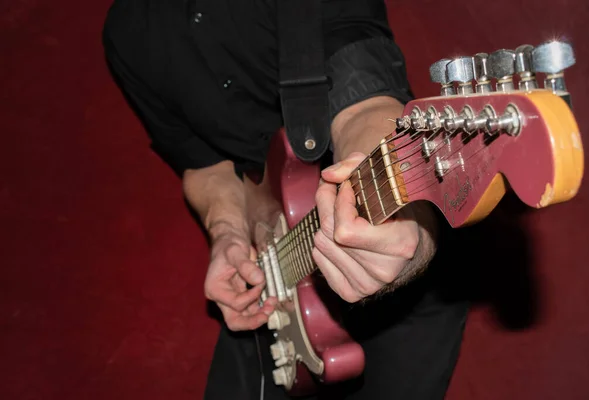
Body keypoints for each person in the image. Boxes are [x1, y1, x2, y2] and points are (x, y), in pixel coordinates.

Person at [102, 0, 469, 398]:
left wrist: (404, 214)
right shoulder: (127, 32)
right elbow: (203, 164)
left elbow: (366, 104)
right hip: (276, 270)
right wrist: (226, 232)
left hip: (398, 281)